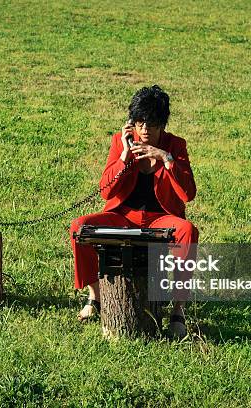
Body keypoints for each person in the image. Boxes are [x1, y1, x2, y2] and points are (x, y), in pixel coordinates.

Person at [69, 85, 199, 338]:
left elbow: (188, 194)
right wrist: (125, 157)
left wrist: (166, 158)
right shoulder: (121, 142)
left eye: (150, 124)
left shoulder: (176, 146)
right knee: (79, 227)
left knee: (188, 231)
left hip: (161, 218)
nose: (144, 130)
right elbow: (106, 191)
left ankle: (178, 310)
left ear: (162, 124)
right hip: (123, 216)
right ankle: (94, 296)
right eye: (139, 123)